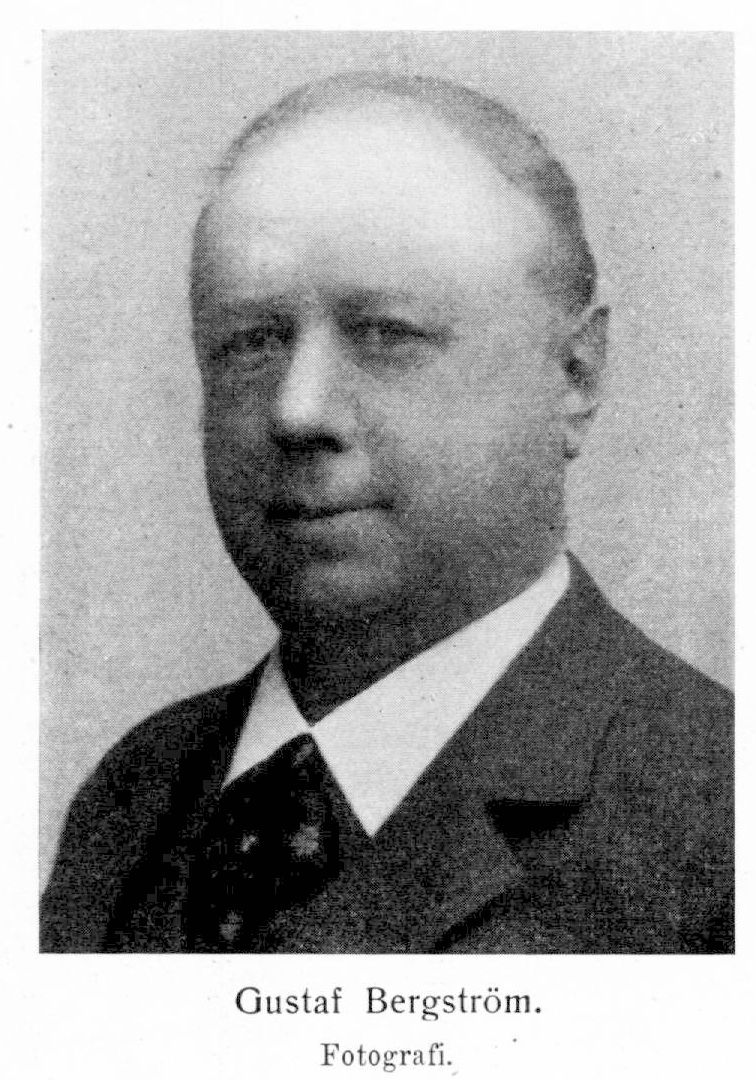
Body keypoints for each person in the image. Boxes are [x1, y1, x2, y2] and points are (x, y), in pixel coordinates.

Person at [41, 72, 733, 954]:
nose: (297, 411)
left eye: (387, 334)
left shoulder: (717, 815)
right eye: (252, 342)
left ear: (575, 376)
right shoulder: (137, 795)